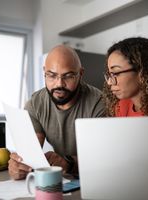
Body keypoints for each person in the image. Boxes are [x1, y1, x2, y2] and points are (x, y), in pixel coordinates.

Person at [8, 45, 105, 180]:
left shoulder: (99, 103)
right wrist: (19, 166)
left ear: (80, 74)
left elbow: (103, 158)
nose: (59, 84)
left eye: (68, 76)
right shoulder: (35, 104)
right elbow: (30, 155)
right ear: (44, 72)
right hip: (62, 182)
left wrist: (68, 163)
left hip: (97, 178)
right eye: (52, 76)